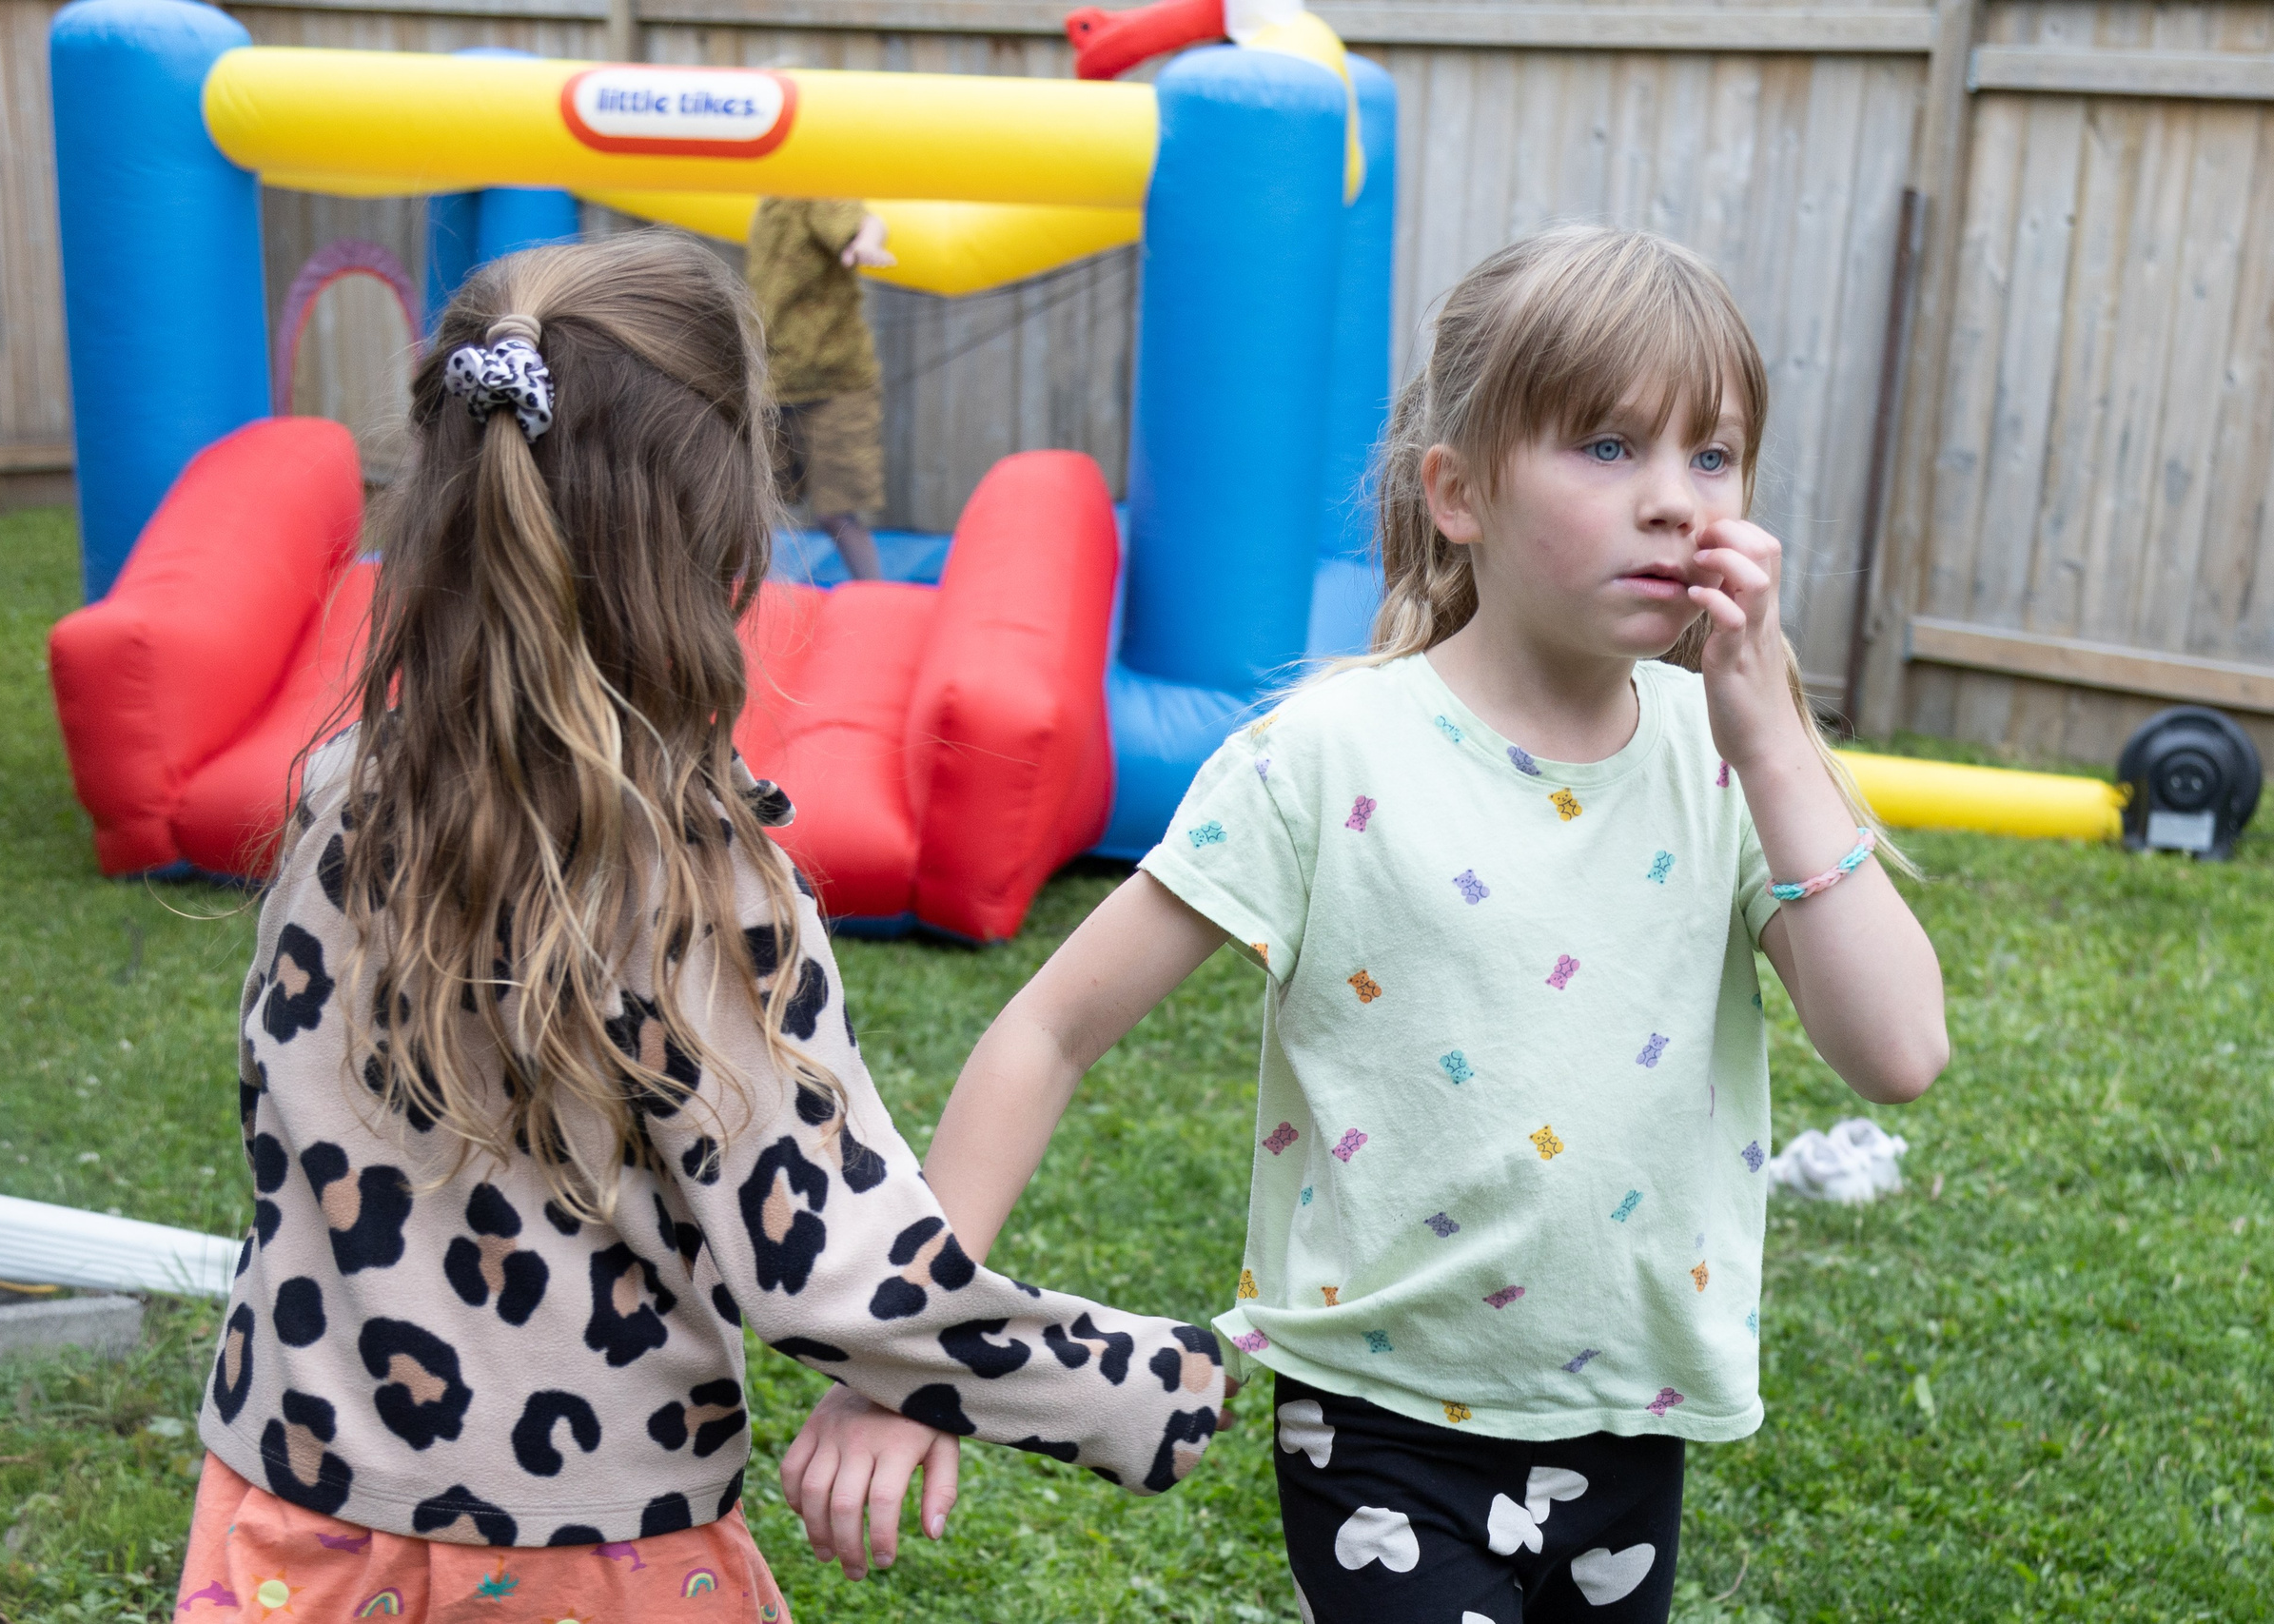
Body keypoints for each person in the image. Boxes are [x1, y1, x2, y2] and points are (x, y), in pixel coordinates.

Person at [782, 225, 1949, 1621]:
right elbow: (1050, 1023)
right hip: (1383, 1431)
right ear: (1456, 492)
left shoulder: (1731, 761)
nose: (1672, 502)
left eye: (1712, 454)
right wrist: (912, 1348)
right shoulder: (1327, 756)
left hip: (1634, 1426)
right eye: (1605, 445)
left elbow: (1898, 1050)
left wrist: (1773, 747)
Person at [168, 231, 1229, 1623]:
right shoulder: (696, 882)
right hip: (583, 1550)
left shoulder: (336, 793)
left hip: (282, 1516)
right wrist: (1144, 1385)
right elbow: (832, 1269)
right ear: (724, 526)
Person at [746, 197, 893, 581]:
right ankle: (744, 594)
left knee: (837, 512)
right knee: (755, 502)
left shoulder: (813, 190)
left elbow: (863, 220)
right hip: (774, 382)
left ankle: (872, 592)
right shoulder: (768, 204)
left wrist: (867, 243)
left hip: (833, 384)